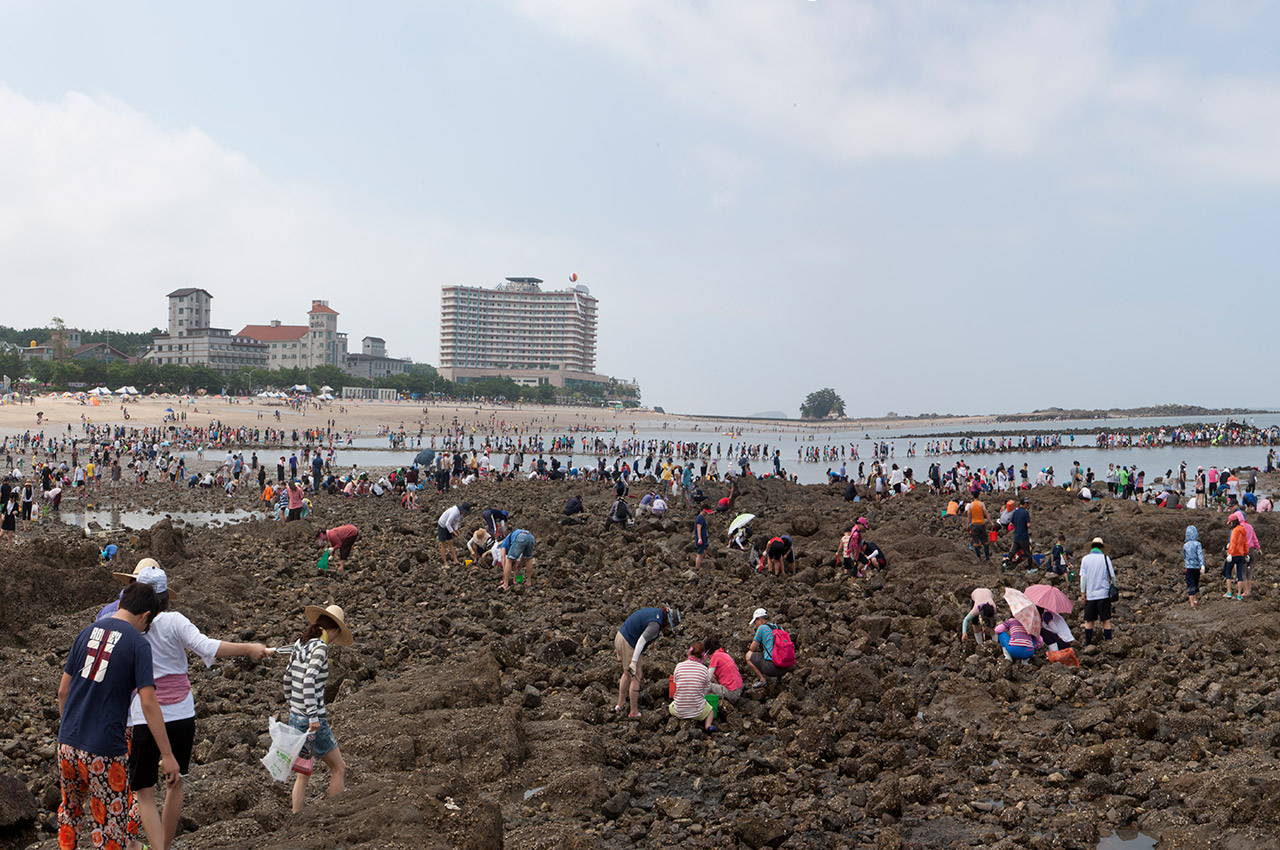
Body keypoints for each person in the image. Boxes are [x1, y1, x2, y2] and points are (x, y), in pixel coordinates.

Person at [125, 566, 271, 850]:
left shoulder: (131, 627)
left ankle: (155, 847)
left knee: (143, 791)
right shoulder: (175, 621)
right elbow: (208, 647)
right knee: (175, 783)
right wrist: (249, 647)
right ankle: (164, 847)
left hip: (144, 713)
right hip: (180, 713)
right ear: (166, 598)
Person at [57, 583, 179, 850]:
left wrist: (68, 730)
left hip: (67, 744)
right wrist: (167, 755)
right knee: (110, 828)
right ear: (146, 615)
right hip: (105, 750)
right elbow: (148, 703)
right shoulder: (138, 644)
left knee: (70, 815)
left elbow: (62, 691)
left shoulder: (86, 632)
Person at [285, 604, 354, 813]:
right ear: (334, 630)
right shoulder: (320, 648)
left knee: (303, 772)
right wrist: (313, 716)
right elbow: (309, 681)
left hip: (295, 716)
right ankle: (337, 815)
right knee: (338, 767)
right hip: (311, 721)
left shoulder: (301, 643)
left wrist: (292, 704)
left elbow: (287, 677)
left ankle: (296, 818)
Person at [614, 605, 680, 719]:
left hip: (620, 636)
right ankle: (633, 711)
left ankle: (620, 704)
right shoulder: (655, 625)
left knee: (626, 673)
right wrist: (634, 662)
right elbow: (640, 642)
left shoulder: (656, 612)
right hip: (629, 642)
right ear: (668, 622)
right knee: (636, 675)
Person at [669, 641, 718, 732]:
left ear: (689, 652)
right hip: (697, 713)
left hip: (679, 711)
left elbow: (676, 684)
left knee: (671, 705)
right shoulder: (704, 669)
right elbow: (705, 690)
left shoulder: (679, 666)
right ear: (703, 656)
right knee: (710, 711)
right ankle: (708, 725)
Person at [1078, 537, 1115, 647]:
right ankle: (1108, 643)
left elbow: (1083, 578)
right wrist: (1114, 587)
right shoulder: (1105, 558)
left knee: (1089, 622)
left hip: (1091, 595)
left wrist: (1083, 592)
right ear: (1102, 548)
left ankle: (1087, 644)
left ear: (1091, 547)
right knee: (1106, 621)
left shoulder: (1085, 559)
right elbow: (1112, 576)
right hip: (1104, 594)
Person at [745, 607, 794, 688]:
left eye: (755, 622)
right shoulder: (778, 627)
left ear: (760, 620)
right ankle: (779, 679)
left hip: (771, 668)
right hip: (785, 668)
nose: (755, 625)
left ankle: (762, 680)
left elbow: (752, 648)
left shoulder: (761, 628)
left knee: (748, 655)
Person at [702, 637, 744, 704]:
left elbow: (707, 678)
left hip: (731, 693)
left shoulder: (715, 656)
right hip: (738, 690)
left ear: (709, 651)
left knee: (704, 685)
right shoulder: (724, 654)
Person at [1225, 513, 1250, 600]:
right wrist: (1246, 554)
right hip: (1241, 555)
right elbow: (1245, 543)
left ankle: (1229, 592)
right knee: (1239, 575)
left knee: (1228, 573)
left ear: (1233, 522)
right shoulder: (1243, 530)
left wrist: (1230, 553)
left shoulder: (1234, 531)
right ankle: (1239, 595)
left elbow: (1233, 543)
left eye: (1230, 522)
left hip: (1234, 554)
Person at [437, 502, 471, 566]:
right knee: (443, 544)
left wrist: (456, 529)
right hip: (442, 525)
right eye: (466, 512)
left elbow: (456, 521)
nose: (466, 514)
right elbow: (447, 524)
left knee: (451, 542)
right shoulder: (454, 512)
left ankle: (455, 560)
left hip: (448, 526)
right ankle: (445, 563)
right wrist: (453, 533)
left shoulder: (461, 513)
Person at [1006, 497, 1032, 571]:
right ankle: (1030, 568)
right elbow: (1028, 525)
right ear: (1024, 504)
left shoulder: (1015, 512)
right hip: (1023, 537)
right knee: (1028, 554)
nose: (1027, 505)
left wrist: (1018, 525)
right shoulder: (1025, 512)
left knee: (1012, 552)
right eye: (1027, 504)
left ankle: (1006, 563)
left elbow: (1011, 524)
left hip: (1016, 536)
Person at [1183, 525, 1204, 606]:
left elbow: (1184, 555)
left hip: (1188, 567)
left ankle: (1191, 603)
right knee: (1196, 583)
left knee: (1190, 584)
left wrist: (1187, 561)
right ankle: (1196, 600)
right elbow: (1200, 555)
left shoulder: (1185, 545)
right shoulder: (1198, 544)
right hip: (1196, 567)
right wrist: (1202, 564)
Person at [967, 494, 989, 561]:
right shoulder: (981, 504)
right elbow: (986, 514)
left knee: (975, 542)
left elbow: (969, 517)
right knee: (985, 541)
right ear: (978, 496)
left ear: (973, 497)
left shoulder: (970, 505)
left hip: (974, 524)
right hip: (981, 524)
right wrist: (991, 522)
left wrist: (967, 525)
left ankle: (979, 556)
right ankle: (987, 557)